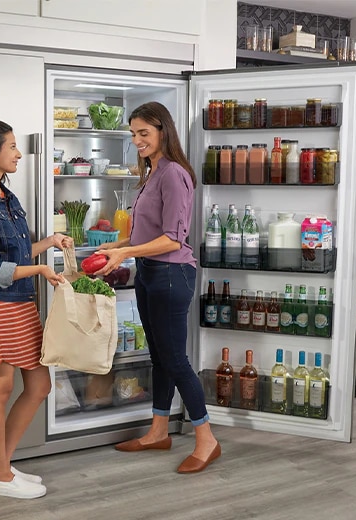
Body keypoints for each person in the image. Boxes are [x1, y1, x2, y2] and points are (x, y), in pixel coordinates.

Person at [93, 102, 221, 473]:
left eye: (143, 133)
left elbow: (173, 240)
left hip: (170, 275)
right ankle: (158, 432)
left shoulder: (174, 174)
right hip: (150, 273)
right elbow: (144, 233)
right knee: (160, 357)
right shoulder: (151, 173)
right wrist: (116, 247)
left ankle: (207, 440)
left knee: (176, 360)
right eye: (133, 134)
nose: (137, 141)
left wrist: (128, 251)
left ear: (163, 130)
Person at [0, 119, 72, 498]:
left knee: (39, 385)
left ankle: (0, 466)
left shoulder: (6, 196)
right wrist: (38, 269)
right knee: (1, 387)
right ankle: (3, 477)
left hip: (20, 304)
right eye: (11, 146)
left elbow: (16, 254)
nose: (19, 153)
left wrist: (48, 243)